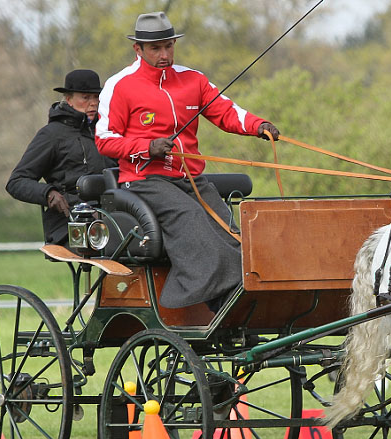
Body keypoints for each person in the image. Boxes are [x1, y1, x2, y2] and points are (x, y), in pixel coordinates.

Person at [96, 11, 280, 310]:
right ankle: (184, 300)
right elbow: (105, 139)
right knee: (192, 220)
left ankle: (236, 309)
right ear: (138, 49)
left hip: (190, 179)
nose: (164, 54)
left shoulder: (193, 79)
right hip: (144, 181)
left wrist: (258, 126)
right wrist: (147, 147)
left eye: (169, 46)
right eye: (155, 48)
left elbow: (226, 111)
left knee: (233, 235)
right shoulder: (120, 85)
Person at [6, 69, 117, 245]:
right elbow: (16, 182)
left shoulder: (106, 131)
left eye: (96, 97)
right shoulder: (51, 135)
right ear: (68, 99)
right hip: (69, 222)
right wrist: (48, 193)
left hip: (110, 214)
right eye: (85, 98)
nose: (93, 103)